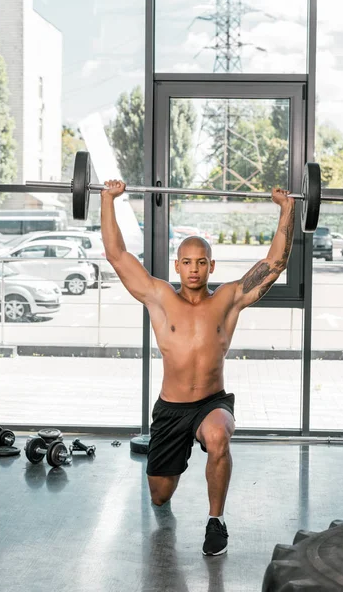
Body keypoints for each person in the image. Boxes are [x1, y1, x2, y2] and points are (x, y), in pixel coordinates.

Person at [101, 181, 295, 556]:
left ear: (211, 266)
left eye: (201, 262)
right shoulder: (159, 298)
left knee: (220, 434)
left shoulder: (227, 299)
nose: (194, 269)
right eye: (187, 262)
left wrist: (286, 208)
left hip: (212, 403)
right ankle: (174, 469)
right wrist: (108, 200)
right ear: (177, 265)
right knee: (159, 495)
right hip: (171, 409)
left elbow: (274, 264)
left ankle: (215, 521)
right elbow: (117, 254)